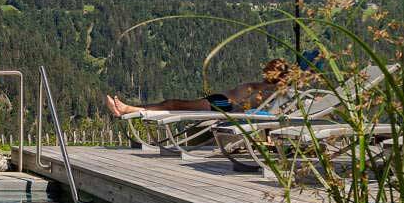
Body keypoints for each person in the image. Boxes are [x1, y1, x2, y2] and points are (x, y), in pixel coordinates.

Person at [104, 59, 292, 118]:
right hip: (220, 102)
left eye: (268, 69)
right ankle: (130, 109)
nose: (264, 71)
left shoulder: (270, 88)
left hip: (221, 105)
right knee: (172, 105)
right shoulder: (269, 88)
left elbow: (282, 90)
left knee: (173, 106)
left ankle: (128, 109)